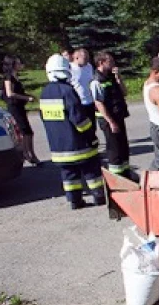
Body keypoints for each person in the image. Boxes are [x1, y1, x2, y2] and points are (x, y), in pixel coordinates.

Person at [38, 54, 104, 209]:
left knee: (69, 174)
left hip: (58, 146)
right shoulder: (67, 91)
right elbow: (79, 119)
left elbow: (43, 118)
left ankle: (75, 201)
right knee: (91, 169)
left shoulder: (44, 93)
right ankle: (99, 196)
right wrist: (91, 136)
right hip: (77, 144)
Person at [90, 51, 134, 180]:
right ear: (101, 63)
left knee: (123, 146)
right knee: (114, 148)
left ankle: (126, 173)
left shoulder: (111, 77)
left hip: (118, 115)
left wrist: (118, 78)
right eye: (110, 61)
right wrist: (111, 122)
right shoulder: (96, 81)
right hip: (108, 119)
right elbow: (99, 104)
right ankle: (116, 177)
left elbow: (124, 93)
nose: (114, 64)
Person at [0, 55, 41, 165]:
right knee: (25, 131)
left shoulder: (15, 76)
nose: (20, 65)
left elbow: (19, 92)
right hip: (14, 107)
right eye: (17, 63)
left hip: (20, 107)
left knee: (28, 132)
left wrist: (29, 96)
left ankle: (29, 153)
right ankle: (28, 154)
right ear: (11, 64)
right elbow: (10, 93)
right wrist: (27, 98)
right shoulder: (8, 77)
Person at [70, 48, 95, 122]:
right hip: (78, 103)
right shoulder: (70, 68)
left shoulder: (89, 66)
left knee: (92, 128)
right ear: (76, 58)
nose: (87, 60)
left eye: (88, 58)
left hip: (90, 102)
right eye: (85, 58)